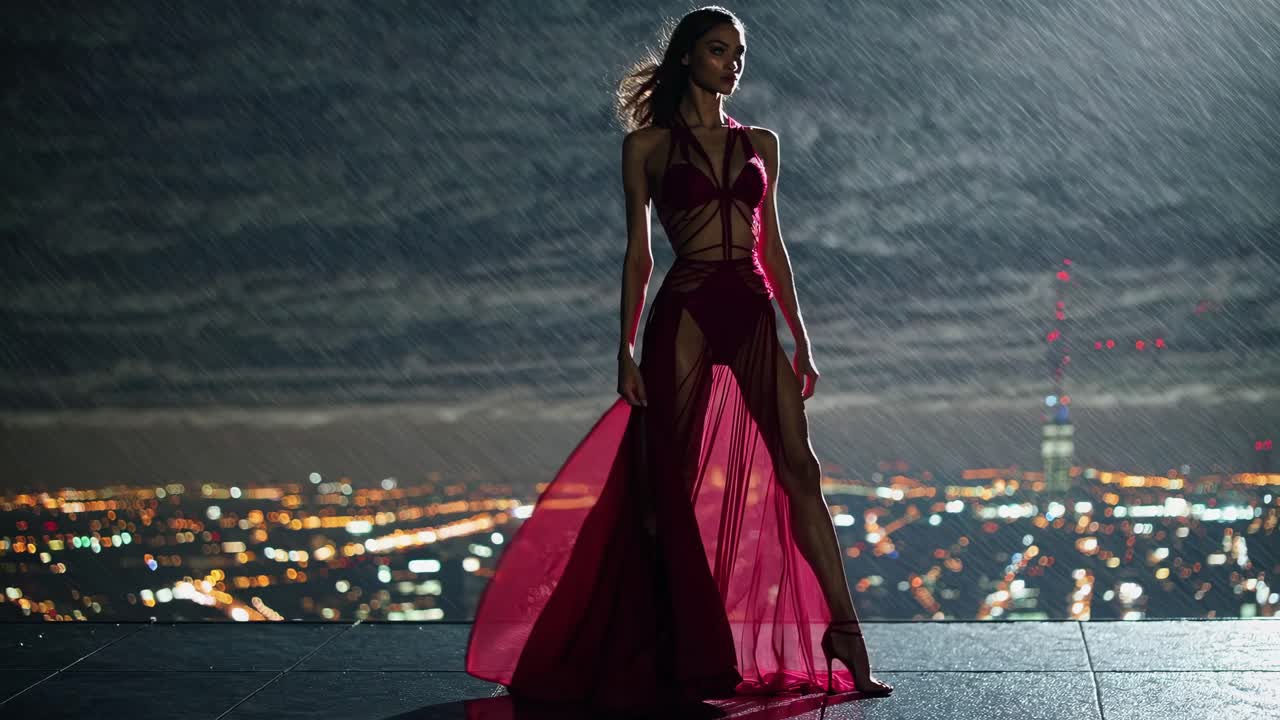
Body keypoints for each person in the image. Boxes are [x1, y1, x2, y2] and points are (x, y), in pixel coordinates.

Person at [465, 6, 892, 713]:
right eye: (719, 50)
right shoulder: (647, 147)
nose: (733, 63)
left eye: (740, 53)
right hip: (687, 307)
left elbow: (772, 248)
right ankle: (667, 648)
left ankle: (845, 636)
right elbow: (640, 255)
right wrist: (624, 347)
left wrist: (802, 337)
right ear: (688, 57)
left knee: (801, 468)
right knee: (669, 484)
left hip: (750, 306)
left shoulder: (762, 142)